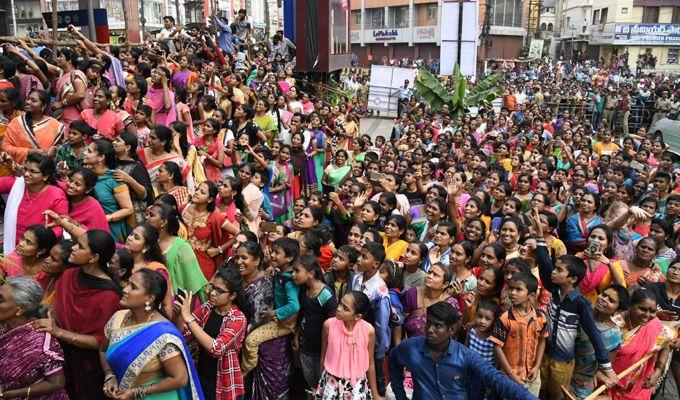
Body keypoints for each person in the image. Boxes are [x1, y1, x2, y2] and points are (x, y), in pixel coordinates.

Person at [32, 230, 121, 399]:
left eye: (80, 246)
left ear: (94, 258)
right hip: (61, 357)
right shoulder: (67, 276)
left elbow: (100, 343)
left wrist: (59, 332)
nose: (72, 248)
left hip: (89, 366)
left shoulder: (109, 295)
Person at [389, 301, 538, 400]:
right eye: (428, 323)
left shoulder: (466, 356)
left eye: (438, 326)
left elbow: (495, 378)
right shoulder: (409, 348)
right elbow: (394, 364)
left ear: (452, 330)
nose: (430, 330)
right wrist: (400, 396)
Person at [100, 269, 204, 399]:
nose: (125, 290)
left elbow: (180, 379)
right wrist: (109, 375)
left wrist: (136, 392)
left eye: (133, 287)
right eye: (127, 284)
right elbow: (103, 350)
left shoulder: (163, 334)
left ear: (149, 298)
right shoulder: (117, 319)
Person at [176, 267, 251, 400]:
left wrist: (188, 318)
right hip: (202, 375)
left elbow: (216, 349)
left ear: (232, 296)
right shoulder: (208, 308)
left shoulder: (238, 319)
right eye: (212, 287)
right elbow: (185, 334)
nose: (212, 293)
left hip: (224, 382)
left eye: (219, 291)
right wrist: (179, 314)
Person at [0, 276, 69, 399]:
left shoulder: (41, 342)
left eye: (1, 299)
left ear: (20, 309)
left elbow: (57, 382)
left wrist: (10, 394)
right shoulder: (4, 325)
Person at [608, 289, 676, 400]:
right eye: (642, 309)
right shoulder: (614, 325)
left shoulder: (654, 324)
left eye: (652, 311)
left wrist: (657, 371)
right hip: (609, 387)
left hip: (638, 391)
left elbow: (665, 346)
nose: (647, 315)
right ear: (630, 305)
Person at [315, 291, 383, 400]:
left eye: (345, 308)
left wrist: (375, 394)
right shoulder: (328, 325)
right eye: (340, 303)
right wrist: (323, 384)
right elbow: (323, 356)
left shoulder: (368, 330)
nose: (339, 308)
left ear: (357, 316)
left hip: (357, 385)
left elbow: (370, 363)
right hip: (331, 383)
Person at [491, 272, 547, 396]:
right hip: (510, 376)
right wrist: (511, 374)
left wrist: (537, 366)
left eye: (518, 290)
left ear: (531, 295)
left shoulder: (540, 317)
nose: (513, 293)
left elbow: (542, 340)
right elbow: (497, 346)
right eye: (511, 288)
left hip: (532, 376)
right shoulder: (505, 318)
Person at [0, 152, 68, 253]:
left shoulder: (56, 195)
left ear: (45, 176)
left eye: (32, 171)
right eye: (26, 169)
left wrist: (37, 241)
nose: (26, 174)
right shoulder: (17, 185)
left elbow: (61, 226)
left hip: (38, 250)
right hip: (12, 247)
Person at [569, 284, 629, 399]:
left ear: (618, 310)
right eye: (604, 294)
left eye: (611, 300)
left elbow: (604, 365)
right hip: (560, 370)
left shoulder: (614, 336)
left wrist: (600, 375)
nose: (603, 299)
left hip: (582, 384)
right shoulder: (581, 309)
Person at [3, 90, 64, 165]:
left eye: (33, 100)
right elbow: (5, 147)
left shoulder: (56, 125)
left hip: (44, 170)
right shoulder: (16, 122)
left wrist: (54, 149)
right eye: (28, 99)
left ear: (44, 106)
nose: (28, 102)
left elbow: (62, 146)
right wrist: (30, 152)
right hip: (19, 171)